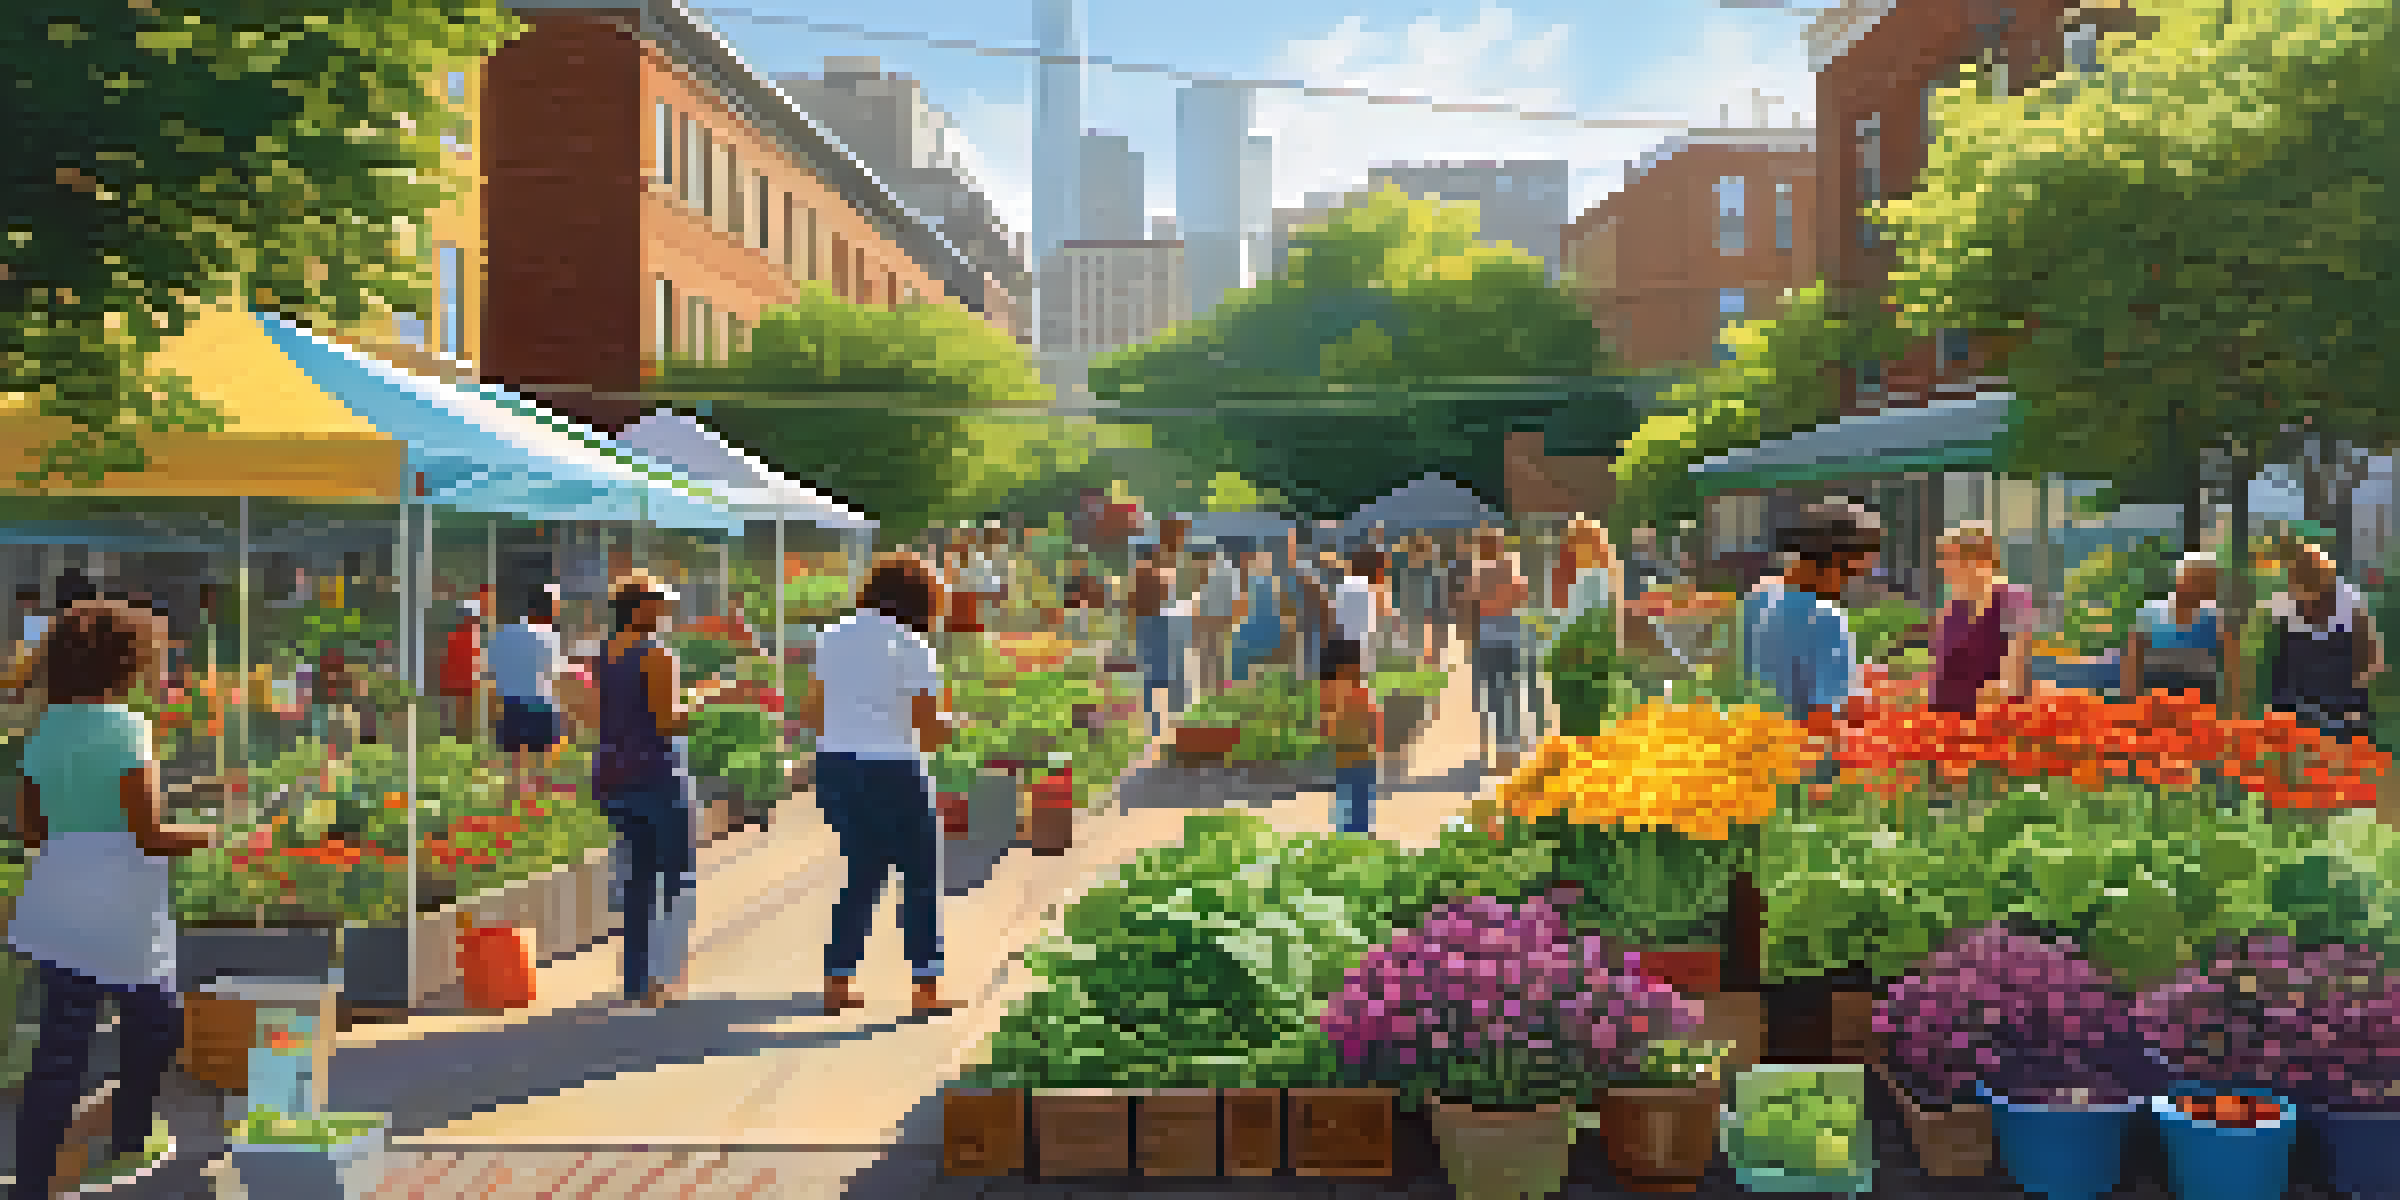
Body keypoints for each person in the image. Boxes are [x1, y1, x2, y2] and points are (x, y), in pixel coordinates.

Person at [9, 598, 213, 1198]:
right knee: (155, 1025)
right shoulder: (128, 727)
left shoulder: (45, 729)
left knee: (60, 1050)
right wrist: (211, 834)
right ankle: (127, 1141)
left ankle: (30, 1182)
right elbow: (149, 834)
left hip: (58, 902)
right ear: (124, 665)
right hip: (121, 907)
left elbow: (31, 830)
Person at [800, 553, 955, 1016]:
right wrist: (951, 723)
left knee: (863, 871)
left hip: (835, 765)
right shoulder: (911, 646)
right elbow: (928, 729)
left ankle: (837, 979)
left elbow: (812, 712)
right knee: (920, 875)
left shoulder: (832, 636)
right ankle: (925, 986)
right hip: (893, 767)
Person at [594, 571, 725, 1009]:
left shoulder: (606, 652)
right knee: (677, 878)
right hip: (658, 774)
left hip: (614, 776)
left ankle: (636, 981)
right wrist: (704, 698)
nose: (667, 609)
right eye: (660, 602)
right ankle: (664, 979)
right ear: (640, 609)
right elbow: (668, 722)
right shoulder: (655, 654)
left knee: (637, 881)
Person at [1741, 501, 1883, 738]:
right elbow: (1822, 723)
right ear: (1837, 562)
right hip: (1801, 751)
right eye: (1854, 573)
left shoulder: (1758, 597)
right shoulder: (1826, 620)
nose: (1851, 585)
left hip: (1752, 740)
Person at [2265, 540, 2384, 746]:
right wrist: (2280, 715)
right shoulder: (2286, 607)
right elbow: (2283, 670)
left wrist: (2354, 710)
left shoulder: (2350, 604)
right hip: (2300, 713)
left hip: (2343, 711)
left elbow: (2369, 657)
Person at [1928, 522, 2036, 716]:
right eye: (1944, 561)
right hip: (1950, 715)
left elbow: (2017, 674)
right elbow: (1939, 678)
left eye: (1953, 560)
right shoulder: (1951, 610)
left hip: (1995, 715)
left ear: (1982, 561)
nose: (1945, 569)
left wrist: (1995, 699)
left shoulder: (2012, 601)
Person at [2122, 552, 2233, 705]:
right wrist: (2131, 701)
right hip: (2154, 701)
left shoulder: (2216, 620)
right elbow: (2132, 661)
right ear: (2180, 578)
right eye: (2196, 580)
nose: (2203, 588)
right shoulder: (2150, 613)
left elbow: (2229, 666)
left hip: (2199, 704)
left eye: (2208, 582)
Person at [1464, 527, 1533, 771]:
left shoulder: (1478, 570)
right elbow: (1522, 595)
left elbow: (1471, 604)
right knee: (1512, 692)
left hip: (1488, 636)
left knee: (1492, 695)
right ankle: (1513, 746)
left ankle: (1500, 749)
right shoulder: (1509, 565)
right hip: (1511, 634)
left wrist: (1469, 638)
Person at [490, 585, 567, 801]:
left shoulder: (504, 634)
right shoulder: (551, 637)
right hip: (541, 702)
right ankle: (537, 798)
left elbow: (491, 667)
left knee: (514, 757)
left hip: (510, 702)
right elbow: (558, 674)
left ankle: (513, 797)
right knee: (541, 757)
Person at [1321, 638, 1383, 835]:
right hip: (1355, 757)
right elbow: (1373, 719)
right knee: (1354, 799)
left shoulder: (1337, 692)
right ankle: (1354, 833)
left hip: (1352, 757)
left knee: (1350, 799)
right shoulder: (1348, 692)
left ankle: (1351, 834)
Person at [1129, 543, 1185, 736]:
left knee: (1150, 673)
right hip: (1157, 624)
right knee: (1159, 673)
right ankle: (1159, 721)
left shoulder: (1137, 577)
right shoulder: (1157, 576)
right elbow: (1167, 599)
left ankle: (1154, 722)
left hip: (1146, 625)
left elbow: (1131, 606)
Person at [1192, 543, 1245, 694]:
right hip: (1218, 617)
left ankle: (1213, 685)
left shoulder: (1218, 571)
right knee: (1217, 652)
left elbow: (1206, 597)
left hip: (1214, 618)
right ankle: (1217, 685)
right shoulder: (1227, 571)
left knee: (1212, 652)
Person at [1334, 548, 1395, 666]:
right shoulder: (1370, 589)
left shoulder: (1346, 584)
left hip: (1344, 639)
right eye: (1382, 568)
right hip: (1358, 642)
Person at [439, 598, 485, 742]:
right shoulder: (472, 635)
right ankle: (460, 737)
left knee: (455, 714)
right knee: (462, 713)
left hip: (454, 682)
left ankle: (453, 736)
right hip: (464, 682)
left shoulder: (452, 635)